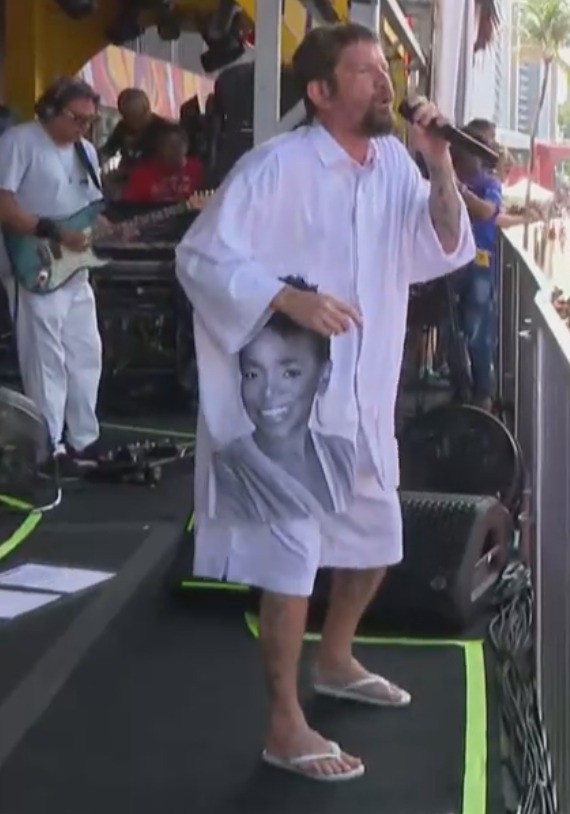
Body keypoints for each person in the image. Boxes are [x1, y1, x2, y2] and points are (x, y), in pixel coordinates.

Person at [174, 23, 473, 782]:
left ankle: (335, 659)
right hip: (290, 406)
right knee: (290, 561)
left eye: (385, 69)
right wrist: (284, 300)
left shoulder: (396, 170)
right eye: (366, 71)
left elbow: (440, 245)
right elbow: (200, 256)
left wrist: (439, 161)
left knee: (375, 540)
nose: (385, 82)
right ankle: (282, 724)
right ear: (321, 92)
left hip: (365, 398)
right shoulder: (274, 168)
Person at [0, 77, 110, 465]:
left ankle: (84, 436)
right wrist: (52, 230)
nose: (83, 127)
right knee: (45, 358)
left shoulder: (86, 152)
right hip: (34, 259)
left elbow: (92, 209)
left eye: (89, 120)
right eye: (76, 118)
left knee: (86, 352)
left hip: (76, 269)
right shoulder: (19, 142)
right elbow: (5, 206)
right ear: (49, 110)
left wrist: (106, 229)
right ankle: (50, 443)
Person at [212, 276, 357, 523]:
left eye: (290, 374)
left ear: (323, 376)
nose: (268, 393)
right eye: (253, 374)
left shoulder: (341, 457)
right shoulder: (230, 470)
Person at [445, 118, 539, 410]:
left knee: (477, 329)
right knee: (450, 330)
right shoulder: (446, 178)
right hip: (447, 262)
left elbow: (487, 212)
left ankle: (482, 392)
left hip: (478, 264)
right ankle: (461, 388)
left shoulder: (488, 183)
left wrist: (457, 190)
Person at [118, 121, 203, 205]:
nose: (173, 152)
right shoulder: (141, 175)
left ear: (186, 147)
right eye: (169, 147)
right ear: (159, 149)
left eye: (177, 146)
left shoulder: (197, 169)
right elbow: (128, 208)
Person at [99, 88, 168, 180]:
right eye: (128, 118)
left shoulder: (164, 130)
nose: (134, 124)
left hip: (154, 180)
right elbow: (108, 150)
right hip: (125, 180)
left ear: (147, 110)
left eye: (138, 118)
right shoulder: (122, 127)